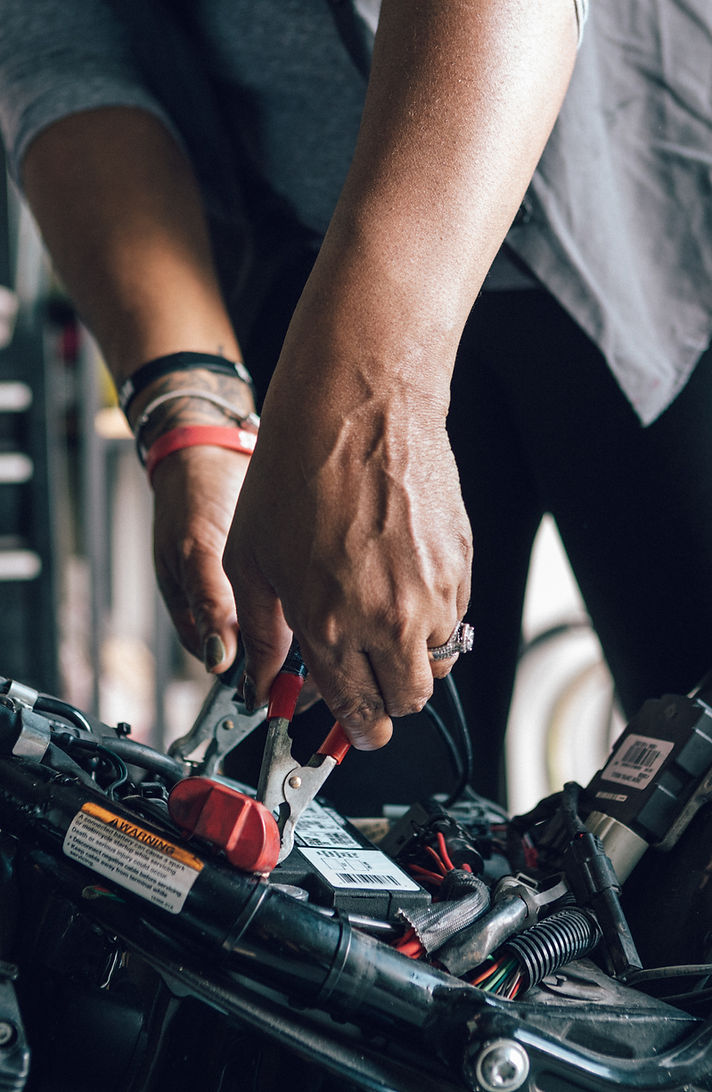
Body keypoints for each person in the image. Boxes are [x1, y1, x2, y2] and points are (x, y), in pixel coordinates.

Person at [1, 0, 710, 802]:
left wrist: (379, 395)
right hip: (311, 282)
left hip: (664, 249)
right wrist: (191, 407)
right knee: (345, 835)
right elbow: (64, 43)